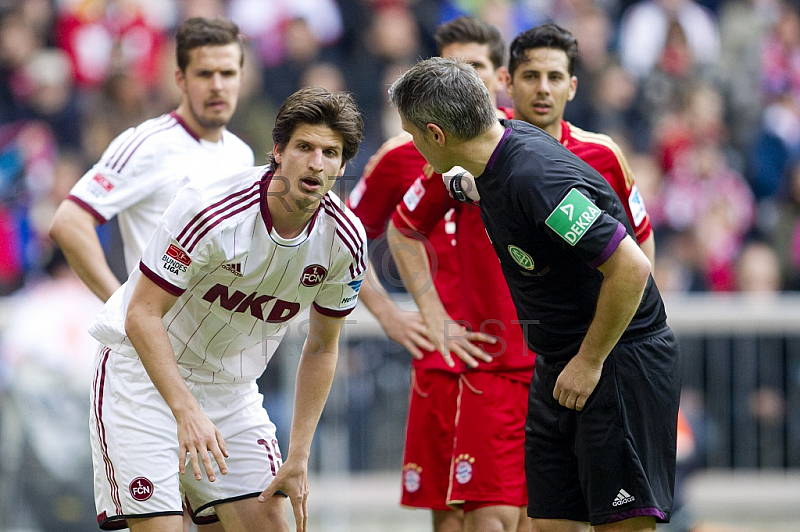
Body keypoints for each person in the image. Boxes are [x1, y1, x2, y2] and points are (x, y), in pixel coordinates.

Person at [389, 57, 681, 532]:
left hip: (614, 361)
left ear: (437, 134)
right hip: (559, 362)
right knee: (550, 523)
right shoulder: (493, 160)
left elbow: (631, 268)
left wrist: (589, 362)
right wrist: (466, 186)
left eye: (414, 135)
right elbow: (502, 191)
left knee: (622, 524)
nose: (415, 147)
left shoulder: (535, 178)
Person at [85, 86, 366, 532]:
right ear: (278, 150)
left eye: (330, 153)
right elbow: (141, 314)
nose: (317, 163)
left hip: (231, 391)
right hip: (141, 379)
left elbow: (322, 347)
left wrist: (298, 454)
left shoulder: (345, 241)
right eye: (304, 147)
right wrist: (186, 411)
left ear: (343, 165)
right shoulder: (210, 209)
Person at [348, 17, 527, 532]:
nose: (462, 83)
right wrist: (391, 314)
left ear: (499, 78)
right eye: (451, 69)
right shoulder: (402, 156)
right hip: (444, 361)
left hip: (518, 357)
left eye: (473, 69)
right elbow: (338, 242)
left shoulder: (523, 148)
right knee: (454, 519)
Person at [49, 17, 254, 303]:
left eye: (228, 73)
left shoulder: (241, 154)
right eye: (205, 74)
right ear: (180, 78)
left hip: (207, 338)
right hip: (151, 336)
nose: (218, 85)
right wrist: (122, 308)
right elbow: (68, 222)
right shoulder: (148, 144)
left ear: (241, 78)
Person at [506, 22, 655, 266]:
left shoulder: (603, 154)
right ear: (508, 83)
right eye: (531, 76)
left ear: (571, 87)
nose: (543, 89)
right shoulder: (485, 149)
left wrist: (642, 302)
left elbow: (641, 234)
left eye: (555, 77)